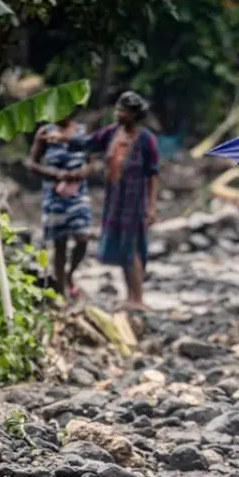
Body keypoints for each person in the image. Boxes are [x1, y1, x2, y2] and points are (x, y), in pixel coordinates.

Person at [72, 91, 160, 312]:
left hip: (135, 201)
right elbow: (88, 143)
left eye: (123, 111)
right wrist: (63, 138)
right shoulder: (112, 133)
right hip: (115, 200)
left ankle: (138, 298)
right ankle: (129, 296)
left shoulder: (146, 140)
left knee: (133, 248)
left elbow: (152, 175)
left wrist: (151, 206)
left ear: (134, 114)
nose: (118, 113)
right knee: (122, 248)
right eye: (118, 109)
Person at [28, 115, 94, 301]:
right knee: (60, 243)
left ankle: (70, 273)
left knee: (83, 236)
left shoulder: (81, 132)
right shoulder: (45, 133)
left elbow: (91, 161)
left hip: (78, 193)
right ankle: (61, 290)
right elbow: (32, 163)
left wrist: (81, 173)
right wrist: (58, 174)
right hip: (54, 195)